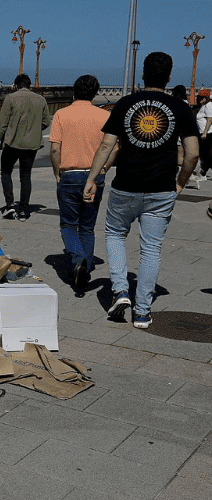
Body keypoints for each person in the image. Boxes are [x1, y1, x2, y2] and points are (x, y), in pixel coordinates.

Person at [83, 51, 200, 329]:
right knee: (151, 249)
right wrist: (180, 183)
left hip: (126, 186)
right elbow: (193, 154)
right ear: (169, 77)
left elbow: (106, 146)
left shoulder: (125, 104)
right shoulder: (181, 108)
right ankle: (143, 312)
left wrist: (92, 177)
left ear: (143, 74)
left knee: (114, 234)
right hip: (161, 189)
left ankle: (121, 291)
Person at [49, 75, 113, 291]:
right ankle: (86, 266)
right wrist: (104, 168)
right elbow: (114, 147)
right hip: (95, 176)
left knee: (68, 224)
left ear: (74, 92)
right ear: (95, 93)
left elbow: (55, 148)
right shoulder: (104, 115)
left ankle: (78, 261)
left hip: (70, 175)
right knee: (87, 227)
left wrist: (58, 172)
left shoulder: (61, 114)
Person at [0, 74, 52, 221]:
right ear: (29, 85)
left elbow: (2, 124)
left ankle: (10, 205)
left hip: (12, 142)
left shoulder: (11, 98)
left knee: (6, 172)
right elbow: (46, 122)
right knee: (25, 176)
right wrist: (34, 130)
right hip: (31, 144)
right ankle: (24, 210)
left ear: (17, 85)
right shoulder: (41, 99)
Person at [195, 89, 212, 178]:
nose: (198, 99)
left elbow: (210, 119)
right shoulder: (204, 106)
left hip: (207, 133)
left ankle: (203, 173)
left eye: (200, 97)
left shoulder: (208, 105)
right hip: (203, 132)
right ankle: (203, 172)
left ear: (205, 98)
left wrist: (205, 133)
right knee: (204, 153)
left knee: (205, 154)